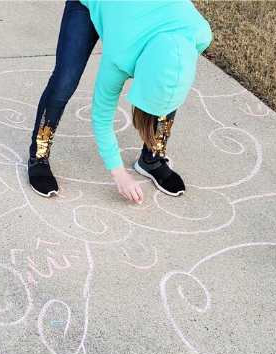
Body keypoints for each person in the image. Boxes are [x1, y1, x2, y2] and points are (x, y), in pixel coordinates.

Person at [26, 0, 213, 203]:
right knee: (65, 80)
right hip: (91, 5)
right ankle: (38, 155)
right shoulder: (121, 53)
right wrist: (119, 174)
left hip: (132, 15)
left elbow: (172, 76)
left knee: (167, 84)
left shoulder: (200, 33)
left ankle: (152, 159)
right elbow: (101, 115)